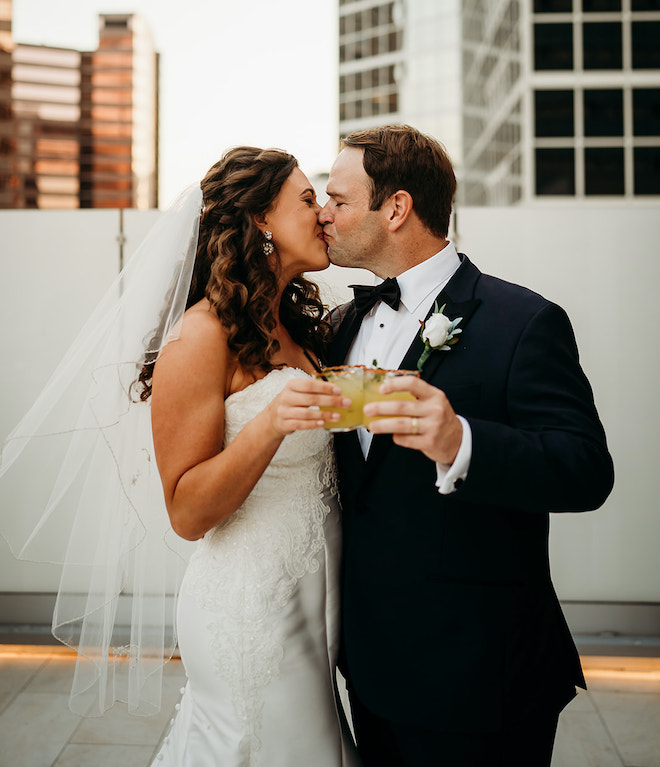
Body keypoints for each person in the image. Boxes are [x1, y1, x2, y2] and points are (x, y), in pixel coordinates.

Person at [0, 147, 360, 767]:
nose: (323, 213)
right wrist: (270, 422)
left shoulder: (295, 326)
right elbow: (187, 512)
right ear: (260, 221)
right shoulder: (200, 336)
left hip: (315, 596)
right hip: (252, 604)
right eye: (307, 199)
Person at [319, 125, 615, 767]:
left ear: (395, 208)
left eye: (338, 200)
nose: (324, 213)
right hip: (369, 670)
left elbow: (586, 469)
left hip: (483, 675)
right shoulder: (344, 326)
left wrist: (462, 441)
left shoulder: (523, 322)